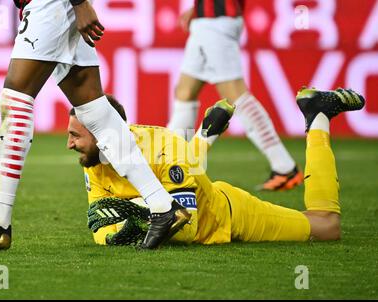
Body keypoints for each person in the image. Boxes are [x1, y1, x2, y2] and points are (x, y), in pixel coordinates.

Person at [0, 0, 188, 250]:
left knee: (15, 100)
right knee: (95, 111)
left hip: (53, 4)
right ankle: (162, 206)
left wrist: (80, 4)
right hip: (59, 6)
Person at [67, 87, 364, 246]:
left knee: (326, 226)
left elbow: (186, 223)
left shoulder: (162, 145)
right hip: (190, 182)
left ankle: (319, 117)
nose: (69, 144)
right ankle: (204, 137)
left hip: (230, 214)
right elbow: (100, 221)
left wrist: (134, 217)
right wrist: (113, 234)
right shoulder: (93, 159)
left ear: (104, 133)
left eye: (75, 136)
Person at [167, 0, 303, 191]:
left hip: (216, 23)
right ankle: (173, 162)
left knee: (236, 95)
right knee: (185, 91)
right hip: (208, 19)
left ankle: (285, 167)